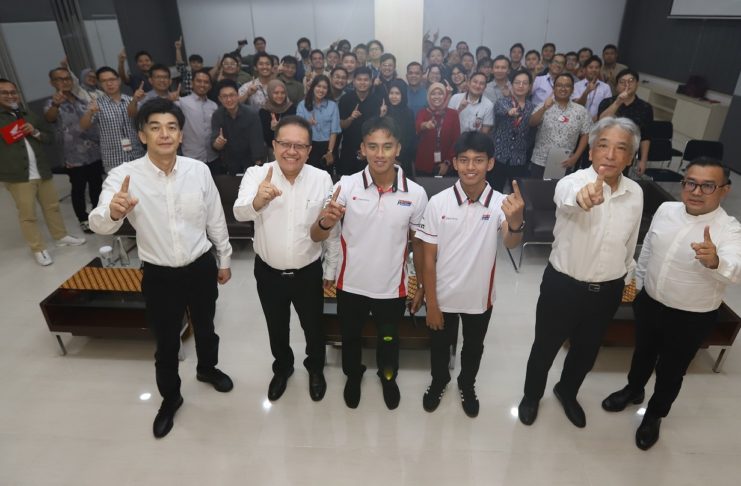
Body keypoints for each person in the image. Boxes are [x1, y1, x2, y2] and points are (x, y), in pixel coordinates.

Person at [89, 98, 233, 439]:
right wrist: (113, 211)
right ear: (142, 135)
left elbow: (215, 217)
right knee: (166, 341)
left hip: (200, 265)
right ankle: (170, 398)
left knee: (206, 326)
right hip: (159, 274)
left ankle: (208, 368)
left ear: (181, 135)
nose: (164, 134)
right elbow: (99, 223)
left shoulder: (198, 171)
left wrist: (224, 258)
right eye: (155, 128)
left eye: (171, 127)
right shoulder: (124, 176)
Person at [602, 157, 741, 451]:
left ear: (724, 189)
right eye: (690, 183)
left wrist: (716, 261)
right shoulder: (667, 210)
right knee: (642, 354)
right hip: (650, 302)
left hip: (692, 316)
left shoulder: (729, 230)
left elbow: (737, 269)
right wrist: (639, 285)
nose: (696, 191)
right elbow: (648, 250)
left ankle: (654, 415)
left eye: (707, 186)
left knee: (671, 370)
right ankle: (633, 390)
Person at [518, 117, 644, 429]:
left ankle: (567, 391)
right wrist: (583, 198)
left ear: (630, 157)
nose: (610, 155)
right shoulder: (571, 183)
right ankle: (531, 396)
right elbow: (569, 198)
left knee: (586, 352)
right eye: (603, 145)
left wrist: (628, 276)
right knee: (544, 347)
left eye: (620, 149)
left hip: (608, 290)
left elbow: (630, 242)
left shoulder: (635, 193)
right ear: (590, 151)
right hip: (563, 286)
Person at [312, 116, 427, 410]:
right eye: (372, 146)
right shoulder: (345, 186)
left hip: (392, 286)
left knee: (388, 338)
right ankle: (353, 376)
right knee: (350, 337)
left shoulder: (415, 194)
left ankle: (388, 377)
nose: (380, 154)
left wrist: (421, 285)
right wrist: (325, 221)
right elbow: (318, 234)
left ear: (398, 148)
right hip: (350, 283)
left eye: (387, 146)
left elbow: (418, 243)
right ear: (362, 149)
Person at [418, 131, 524, 417]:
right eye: (464, 160)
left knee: (474, 347)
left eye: (478, 160)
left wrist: (515, 221)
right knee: (440, 346)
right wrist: (432, 303)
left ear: (490, 163)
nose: (470, 167)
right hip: (442, 296)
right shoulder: (438, 202)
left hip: (480, 297)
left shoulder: (501, 203)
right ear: (454, 163)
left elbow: (510, 242)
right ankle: (439, 381)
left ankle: (467, 384)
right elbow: (428, 259)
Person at [233, 115, 339, 402]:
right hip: (268, 272)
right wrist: (258, 200)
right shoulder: (257, 175)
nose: (292, 151)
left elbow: (330, 225)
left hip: (308, 272)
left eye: (299, 146)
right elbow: (239, 212)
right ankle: (282, 368)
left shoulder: (321, 179)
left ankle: (315, 369)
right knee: (276, 326)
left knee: (313, 327)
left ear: (309, 150)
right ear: (274, 145)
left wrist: (331, 266)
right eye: (285, 144)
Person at [0, 78, 86, 265]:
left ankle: (61, 236)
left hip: (41, 170)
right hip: (18, 176)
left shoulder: (27, 114)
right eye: (4, 93)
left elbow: (49, 137)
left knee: (52, 206)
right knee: (28, 215)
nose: (10, 96)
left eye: (13, 92)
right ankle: (38, 248)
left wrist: (35, 132)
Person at [43, 67, 103, 233]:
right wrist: (56, 104)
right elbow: (49, 117)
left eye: (68, 78)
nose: (65, 82)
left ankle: (97, 214)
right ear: (52, 83)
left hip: (94, 152)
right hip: (73, 156)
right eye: (60, 79)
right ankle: (83, 219)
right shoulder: (52, 103)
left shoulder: (81, 99)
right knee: (78, 188)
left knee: (96, 185)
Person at [79, 67, 144, 173]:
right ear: (99, 84)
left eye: (112, 79)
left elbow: (134, 115)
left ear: (119, 80)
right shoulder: (96, 104)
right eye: (104, 81)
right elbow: (83, 126)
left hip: (137, 155)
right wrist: (90, 112)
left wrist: (135, 101)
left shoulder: (131, 100)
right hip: (114, 160)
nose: (109, 84)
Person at [528, 73, 591, 179]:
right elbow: (531, 123)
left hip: (565, 162)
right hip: (540, 161)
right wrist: (544, 108)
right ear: (554, 88)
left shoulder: (581, 111)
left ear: (572, 89)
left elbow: (586, 133)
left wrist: (576, 157)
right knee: (537, 189)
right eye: (559, 85)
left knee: (561, 189)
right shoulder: (543, 105)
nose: (563, 88)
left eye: (567, 86)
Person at [598, 69, 653, 177]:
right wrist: (618, 102)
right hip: (604, 149)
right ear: (617, 86)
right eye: (622, 82)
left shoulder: (645, 107)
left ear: (637, 84)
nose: (627, 84)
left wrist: (643, 160)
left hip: (627, 153)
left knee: (620, 181)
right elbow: (601, 123)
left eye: (631, 81)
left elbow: (646, 136)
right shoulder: (607, 102)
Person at [490, 71, 535, 191]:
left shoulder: (532, 108)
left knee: (518, 194)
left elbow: (532, 133)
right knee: (494, 192)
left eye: (524, 83)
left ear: (530, 86)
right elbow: (501, 110)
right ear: (511, 85)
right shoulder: (502, 102)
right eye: (517, 82)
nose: (521, 86)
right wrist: (509, 111)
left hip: (519, 158)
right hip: (499, 156)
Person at [210, 80, 266, 174]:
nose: (229, 99)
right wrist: (218, 143)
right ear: (219, 99)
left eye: (232, 95)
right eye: (225, 96)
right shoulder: (217, 115)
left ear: (237, 95)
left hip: (250, 163)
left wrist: (258, 168)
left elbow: (257, 143)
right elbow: (215, 144)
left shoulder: (251, 114)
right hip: (228, 165)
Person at [338, 67, 381, 176]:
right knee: (345, 181)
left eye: (366, 80)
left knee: (369, 181)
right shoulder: (345, 99)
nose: (362, 82)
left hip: (370, 149)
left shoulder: (377, 100)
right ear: (354, 81)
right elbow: (341, 125)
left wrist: (382, 115)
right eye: (359, 79)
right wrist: (351, 118)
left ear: (371, 82)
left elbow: (378, 128)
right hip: (348, 148)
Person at [175, 69, 218, 171]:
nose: (202, 84)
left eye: (206, 82)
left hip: (212, 157)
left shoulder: (214, 106)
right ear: (192, 83)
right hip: (191, 157)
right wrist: (169, 98)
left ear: (210, 86)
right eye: (199, 81)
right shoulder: (182, 102)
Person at [296, 75, 340, 172]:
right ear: (313, 87)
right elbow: (298, 129)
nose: (321, 90)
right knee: (307, 175)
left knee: (325, 176)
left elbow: (334, 131)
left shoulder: (332, 106)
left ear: (328, 90)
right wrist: (308, 123)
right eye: (318, 86)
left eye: (324, 87)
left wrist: (330, 151)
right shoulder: (302, 105)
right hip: (307, 145)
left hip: (326, 146)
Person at [415, 83, 460, 176]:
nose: (436, 97)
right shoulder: (423, 112)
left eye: (440, 93)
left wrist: (447, 162)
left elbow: (456, 141)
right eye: (433, 93)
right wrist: (425, 125)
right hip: (424, 165)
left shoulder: (453, 114)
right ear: (428, 96)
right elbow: (418, 125)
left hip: (446, 166)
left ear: (445, 96)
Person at [382, 79, 416, 176]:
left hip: (403, 161)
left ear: (403, 95)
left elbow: (410, 139)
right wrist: (381, 116)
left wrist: (397, 159)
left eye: (397, 93)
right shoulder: (385, 112)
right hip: (384, 159)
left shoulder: (409, 113)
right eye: (391, 93)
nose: (394, 96)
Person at [258, 80, 297, 161]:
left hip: (291, 147)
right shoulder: (264, 111)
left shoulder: (291, 108)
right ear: (270, 93)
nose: (280, 96)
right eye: (276, 93)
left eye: (283, 93)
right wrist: (272, 129)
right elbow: (265, 138)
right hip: (272, 150)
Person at [572, 56, 612, 121]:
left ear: (600, 69)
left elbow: (608, 108)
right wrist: (586, 92)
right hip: (579, 121)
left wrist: (595, 119)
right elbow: (576, 106)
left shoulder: (606, 87)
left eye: (597, 67)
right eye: (590, 67)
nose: (594, 70)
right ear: (584, 69)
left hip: (599, 122)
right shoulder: (576, 85)